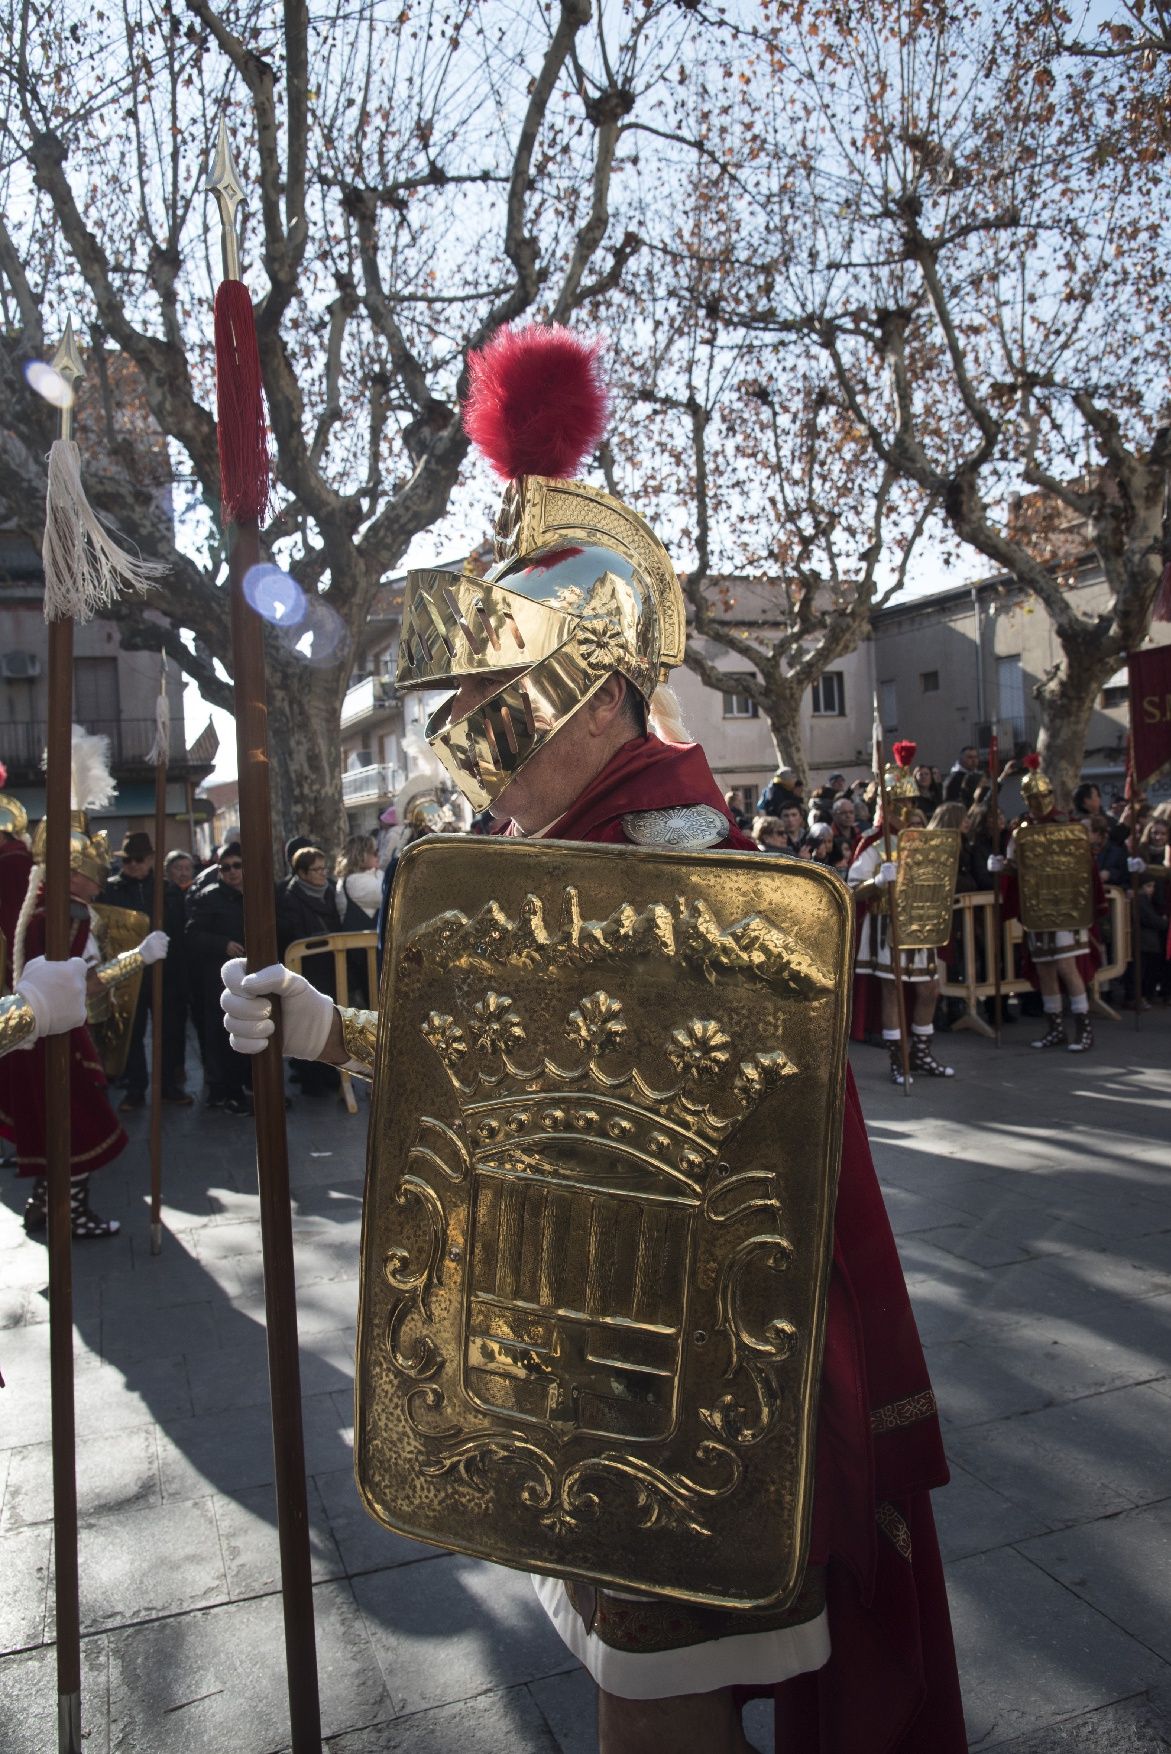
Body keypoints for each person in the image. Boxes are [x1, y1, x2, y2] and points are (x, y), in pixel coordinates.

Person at [221, 322, 965, 1754]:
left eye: (492, 708)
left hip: (689, 1379)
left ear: (600, 686)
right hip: (585, 1369)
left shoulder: (681, 851)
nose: (472, 751)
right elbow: (500, 1082)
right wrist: (331, 1030)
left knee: (654, 1730)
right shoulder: (576, 844)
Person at [0, 775, 168, 1236]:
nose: (101, 875)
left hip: (38, 1036)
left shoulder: (42, 907)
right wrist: (139, 957)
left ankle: (42, 1205)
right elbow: (83, 987)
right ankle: (69, 1214)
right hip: (57, 1036)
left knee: (55, 1128)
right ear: (74, 870)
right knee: (80, 1129)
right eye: (94, 866)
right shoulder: (64, 918)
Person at [848, 740, 955, 1083]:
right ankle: (898, 1058)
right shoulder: (872, 843)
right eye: (902, 801)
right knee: (892, 989)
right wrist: (879, 880)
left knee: (929, 988)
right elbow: (852, 891)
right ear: (889, 803)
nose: (908, 806)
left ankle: (921, 1051)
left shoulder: (921, 839)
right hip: (885, 926)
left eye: (911, 801)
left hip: (919, 922)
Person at [990, 756, 1108, 1052]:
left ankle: (1084, 1028)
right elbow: (1016, 867)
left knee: (1068, 967)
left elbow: (1084, 866)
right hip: (1036, 910)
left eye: (1043, 795)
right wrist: (1000, 866)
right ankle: (1055, 1027)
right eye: (1033, 796)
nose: (1039, 800)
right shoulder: (1021, 828)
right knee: (1044, 969)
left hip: (1066, 908)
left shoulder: (1068, 825)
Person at [185, 842, 252, 1112]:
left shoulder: (258, 893)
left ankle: (252, 1086)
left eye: (237, 865)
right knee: (224, 1037)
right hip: (220, 979)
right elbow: (192, 934)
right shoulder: (208, 897)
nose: (232, 872)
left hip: (253, 976)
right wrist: (222, 944)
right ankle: (226, 1090)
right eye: (226, 868)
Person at [276, 845, 341, 1098]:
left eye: (324, 868)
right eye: (316, 870)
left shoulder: (331, 891)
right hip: (307, 969)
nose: (322, 874)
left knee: (331, 1020)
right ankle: (310, 1078)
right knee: (309, 1024)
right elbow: (292, 932)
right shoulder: (290, 898)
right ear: (302, 873)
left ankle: (330, 1072)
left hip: (332, 965)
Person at [101, 830, 155, 1112]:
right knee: (131, 1033)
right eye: (127, 860)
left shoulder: (163, 888)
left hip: (160, 974)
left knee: (167, 1032)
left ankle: (168, 1084)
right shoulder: (110, 890)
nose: (132, 865)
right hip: (126, 974)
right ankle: (136, 1087)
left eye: (138, 859)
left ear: (149, 859)